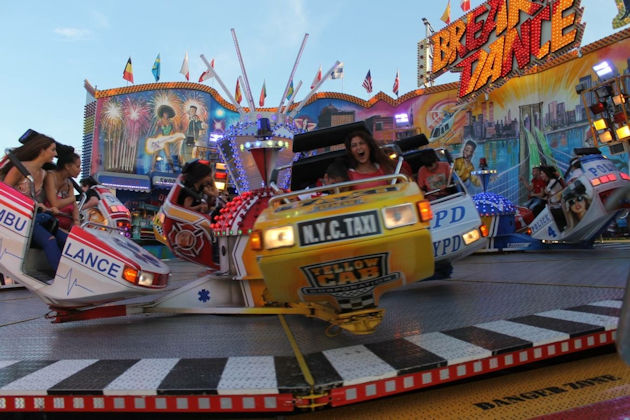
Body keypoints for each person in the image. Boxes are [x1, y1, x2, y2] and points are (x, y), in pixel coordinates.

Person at [0, 132, 68, 272]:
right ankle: (61, 278)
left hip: (34, 216)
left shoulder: (43, 173)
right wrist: (33, 204)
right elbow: (5, 193)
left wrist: (42, 207)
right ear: (41, 150)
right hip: (17, 217)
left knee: (67, 240)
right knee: (49, 240)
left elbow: (38, 199)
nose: (55, 154)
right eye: (52, 150)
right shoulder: (20, 168)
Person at [44, 144, 81, 231]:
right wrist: (74, 198)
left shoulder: (69, 183)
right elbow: (55, 204)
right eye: (77, 167)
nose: (80, 170)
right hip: (50, 222)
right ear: (67, 166)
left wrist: (76, 223)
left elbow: (74, 206)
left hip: (65, 224)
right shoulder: (51, 176)